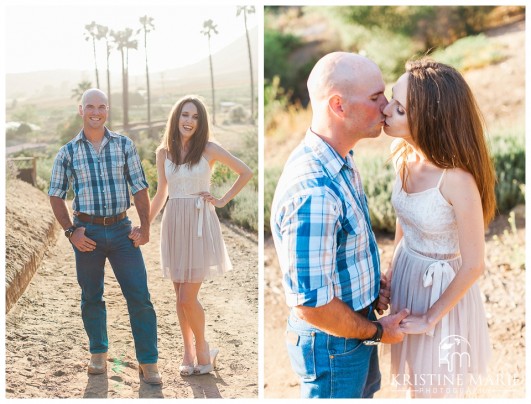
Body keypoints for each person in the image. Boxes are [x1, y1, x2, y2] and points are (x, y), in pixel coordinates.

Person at [270, 52, 409, 399]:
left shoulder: (340, 156)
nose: (387, 107)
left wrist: (367, 282)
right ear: (339, 106)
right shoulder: (314, 190)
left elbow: (336, 249)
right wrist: (377, 331)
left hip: (351, 328)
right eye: (376, 98)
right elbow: (312, 305)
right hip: (334, 344)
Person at [382, 58, 495, 398]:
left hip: (440, 291)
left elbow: (475, 264)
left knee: (434, 390)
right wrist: (391, 268)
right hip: (407, 274)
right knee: (415, 382)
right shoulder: (402, 154)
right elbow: (406, 218)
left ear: (430, 120)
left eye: (399, 109)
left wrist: (431, 317)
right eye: (392, 99)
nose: (386, 110)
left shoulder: (457, 180)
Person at [48, 89, 161, 384]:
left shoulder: (124, 145)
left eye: (101, 107)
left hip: (123, 231)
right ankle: (98, 352)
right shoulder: (67, 152)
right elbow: (56, 195)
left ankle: (148, 361)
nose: (95, 112)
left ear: (107, 110)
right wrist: (71, 232)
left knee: (139, 296)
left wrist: (145, 228)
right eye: (90, 107)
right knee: (91, 296)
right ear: (80, 110)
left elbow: (139, 188)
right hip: (88, 233)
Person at [148, 95, 252, 376]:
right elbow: (161, 193)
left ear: (201, 121)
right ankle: (188, 351)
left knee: (186, 298)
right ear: (176, 117)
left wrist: (220, 200)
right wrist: (144, 224)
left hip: (198, 223)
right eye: (185, 115)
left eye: (195, 117)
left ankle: (204, 347)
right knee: (178, 294)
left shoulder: (209, 149)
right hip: (173, 223)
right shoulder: (164, 152)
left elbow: (245, 172)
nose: (189, 121)